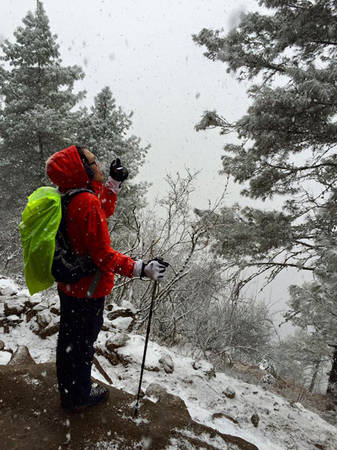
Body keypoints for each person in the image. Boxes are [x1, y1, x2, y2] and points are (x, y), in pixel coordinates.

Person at [46, 145, 168, 411]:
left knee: (70, 341)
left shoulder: (71, 195)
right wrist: (141, 268)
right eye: (93, 161)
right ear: (82, 169)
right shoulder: (85, 201)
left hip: (70, 283)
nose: (98, 164)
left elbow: (100, 213)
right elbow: (103, 256)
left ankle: (70, 392)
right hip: (87, 290)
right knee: (81, 345)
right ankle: (78, 398)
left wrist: (113, 182)